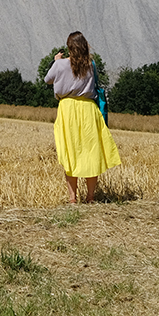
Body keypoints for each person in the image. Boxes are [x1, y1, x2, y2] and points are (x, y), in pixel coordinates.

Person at [44, 31, 121, 203]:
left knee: (71, 154)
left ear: (69, 47)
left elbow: (47, 79)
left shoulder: (60, 65)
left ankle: (72, 198)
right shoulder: (91, 65)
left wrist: (56, 62)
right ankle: (90, 197)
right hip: (88, 109)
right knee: (91, 153)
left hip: (68, 110)